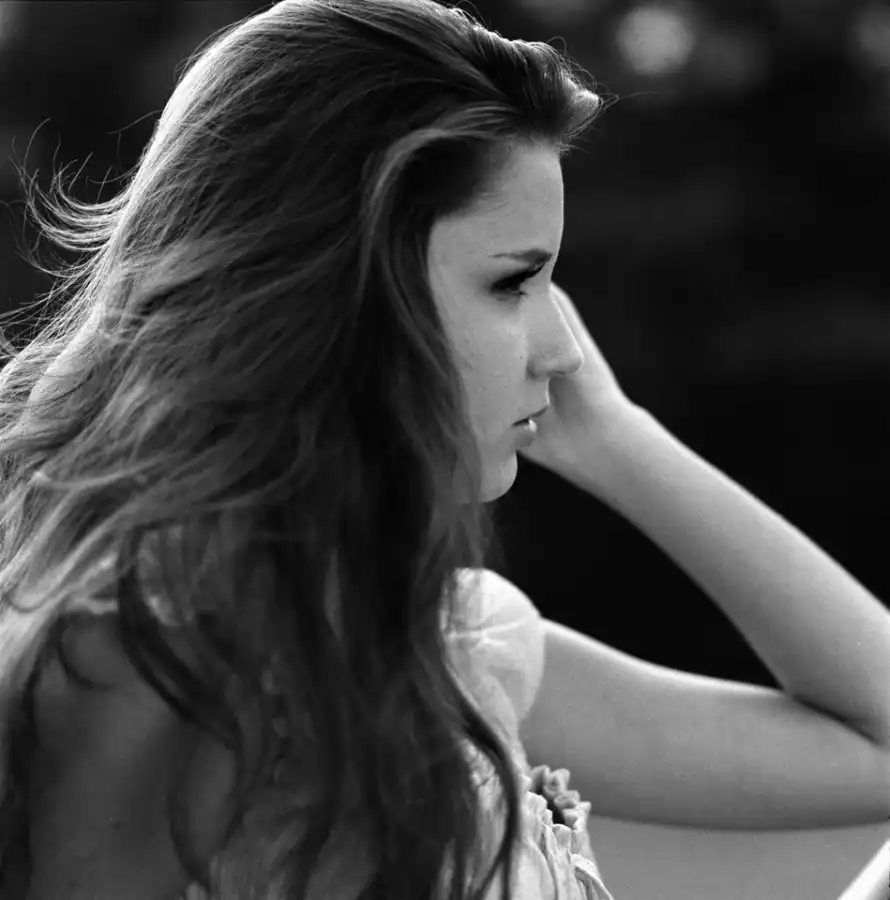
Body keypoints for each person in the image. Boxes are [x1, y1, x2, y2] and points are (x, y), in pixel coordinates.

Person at [0, 1, 888, 899]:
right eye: (512, 282)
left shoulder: (442, 646)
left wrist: (616, 438)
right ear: (331, 288)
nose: (565, 350)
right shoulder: (139, 659)